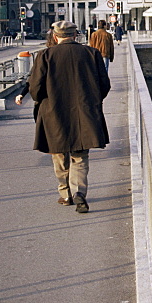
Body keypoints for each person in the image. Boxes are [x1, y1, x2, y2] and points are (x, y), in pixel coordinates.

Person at [24, 20, 110, 213]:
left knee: (59, 153)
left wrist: (43, 101)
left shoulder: (45, 55)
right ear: (75, 35)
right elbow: (104, 85)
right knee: (80, 156)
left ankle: (65, 194)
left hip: (54, 112)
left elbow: (35, 88)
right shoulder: (91, 54)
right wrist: (91, 100)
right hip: (84, 113)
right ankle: (79, 192)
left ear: (55, 36)